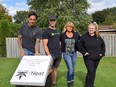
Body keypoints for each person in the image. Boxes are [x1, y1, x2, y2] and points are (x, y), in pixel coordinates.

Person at [80, 22, 105, 87]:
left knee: (93, 72)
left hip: (97, 57)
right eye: (89, 28)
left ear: (95, 29)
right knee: (91, 70)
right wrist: (84, 52)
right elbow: (79, 45)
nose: (90, 29)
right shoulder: (84, 36)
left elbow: (103, 45)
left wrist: (102, 54)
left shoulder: (98, 36)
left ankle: (91, 84)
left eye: (92, 28)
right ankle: (88, 85)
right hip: (88, 58)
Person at [42, 15, 62, 85]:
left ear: (56, 21)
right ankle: (45, 83)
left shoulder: (58, 31)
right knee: (49, 69)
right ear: (49, 21)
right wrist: (49, 55)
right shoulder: (46, 31)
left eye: (54, 20)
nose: (52, 22)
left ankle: (53, 82)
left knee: (55, 69)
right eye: (51, 20)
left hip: (58, 54)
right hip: (51, 54)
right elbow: (44, 44)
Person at [60, 21, 80, 87]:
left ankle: (72, 80)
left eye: (71, 26)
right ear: (66, 27)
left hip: (74, 54)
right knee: (70, 69)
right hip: (66, 54)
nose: (70, 27)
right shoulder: (62, 35)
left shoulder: (76, 34)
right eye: (68, 26)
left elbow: (82, 41)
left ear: (73, 27)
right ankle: (69, 82)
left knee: (73, 69)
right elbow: (55, 42)